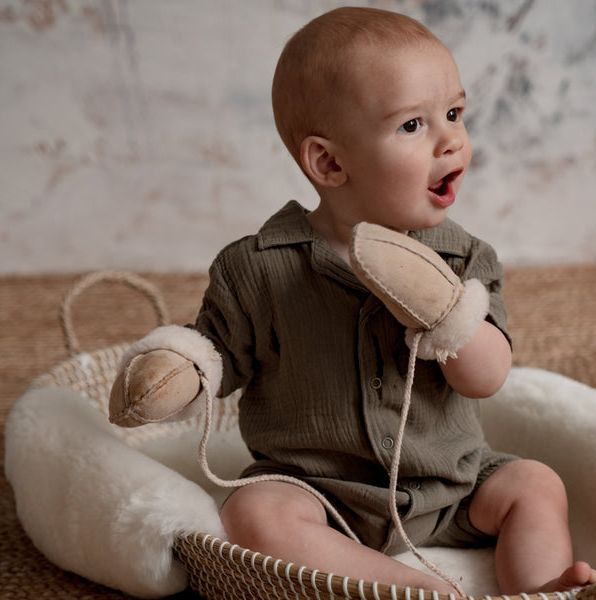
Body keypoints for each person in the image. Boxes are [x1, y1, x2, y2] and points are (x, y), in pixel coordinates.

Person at [110, 7, 596, 595]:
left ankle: (538, 591)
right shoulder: (257, 267)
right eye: (413, 126)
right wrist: (181, 367)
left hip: (451, 486)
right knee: (251, 516)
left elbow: (487, 377)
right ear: (330, 162)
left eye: (453, 113)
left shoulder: (464, 259)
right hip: (318, 491)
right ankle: (414, 589)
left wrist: (446, 312)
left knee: (537, 484)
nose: (451, 141)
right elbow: (218, 355)